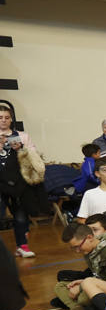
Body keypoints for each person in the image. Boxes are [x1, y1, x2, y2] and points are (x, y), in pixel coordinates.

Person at [0, 103, 44, 257]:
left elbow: (34, 156)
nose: (3, 120)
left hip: (17, 182)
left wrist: (22, 149)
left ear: (11, 119)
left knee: (20, 216)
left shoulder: (21, 135)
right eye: (0, 118)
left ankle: (22, 246)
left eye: (7, 117)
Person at [54, 222, 106, 310]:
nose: (77, 251)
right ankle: (78, 308)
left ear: (90, 237)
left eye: (78, 246)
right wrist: (83, 283)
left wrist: (83, 286)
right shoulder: (90, 250)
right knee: (60, 286)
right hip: (96, 283)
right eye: (73, 248)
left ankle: (79, 306)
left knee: (83, 298)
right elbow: (97, 276)